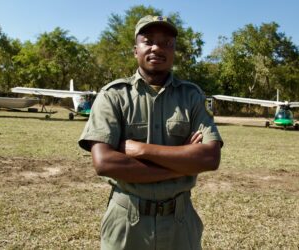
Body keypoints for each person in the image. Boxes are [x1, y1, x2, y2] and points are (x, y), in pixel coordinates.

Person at [79, 15, 223, 250]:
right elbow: (105, 163)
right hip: (127, 221)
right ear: (136, 50)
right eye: (148, 41)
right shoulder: (113, 96)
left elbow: (209, 158)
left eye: (166, 42)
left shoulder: (192, 97)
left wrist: (142, 149)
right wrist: (182, 163)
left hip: (180, 221)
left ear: (174, 50)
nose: (157, 47)